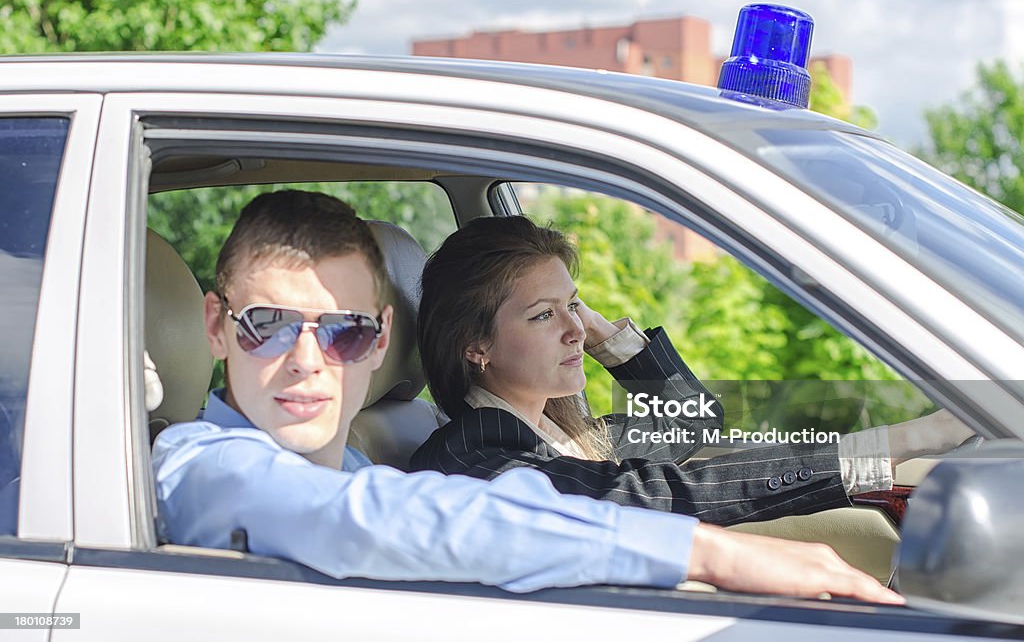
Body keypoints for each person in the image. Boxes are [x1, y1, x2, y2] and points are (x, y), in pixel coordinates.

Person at [152, 190, 902, 602]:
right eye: (270, 326)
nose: (307, 360)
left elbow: (691, 423)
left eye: (343, 331)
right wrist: (712, 555)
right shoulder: (199, 464)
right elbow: (375, 521)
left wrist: (603, 334)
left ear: (382, 338)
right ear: (217, 326)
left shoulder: (354, 458)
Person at [411, 215, 975, 526]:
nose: (574, 329)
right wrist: (909, 437)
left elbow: (693, 425)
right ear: (475, 345)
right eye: (543, 315)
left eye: (575, 305)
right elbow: (653, 494)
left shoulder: (561, 433)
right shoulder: (474, 454)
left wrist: (611, 339)